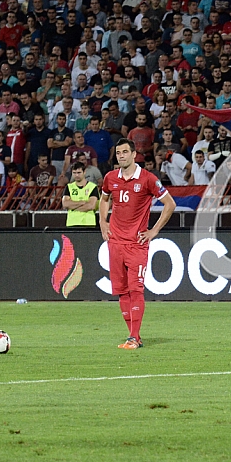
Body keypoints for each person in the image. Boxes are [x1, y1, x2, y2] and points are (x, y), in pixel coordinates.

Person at [98, 139, 177, 349]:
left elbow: (170, 204)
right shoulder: (110, 178)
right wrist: (103, 222)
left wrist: (154, 231)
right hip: (115, 242)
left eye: (125, 152)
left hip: (136, 243)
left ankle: (134, 337)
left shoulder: (148, 179)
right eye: (118, 153)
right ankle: (133, 336)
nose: (121, 156)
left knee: (136, 289)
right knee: (122, 291)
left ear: (134, 154)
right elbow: (104, 199)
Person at [62, 161, 98, 226]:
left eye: (79, 172)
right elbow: (65, 204)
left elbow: (91, 206)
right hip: (72, 223)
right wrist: (82, 202)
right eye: (74, 173)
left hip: (88, 223)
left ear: (84, 172)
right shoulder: (69, 187)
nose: (76, 175)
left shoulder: (92, 187)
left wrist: (73, 208)